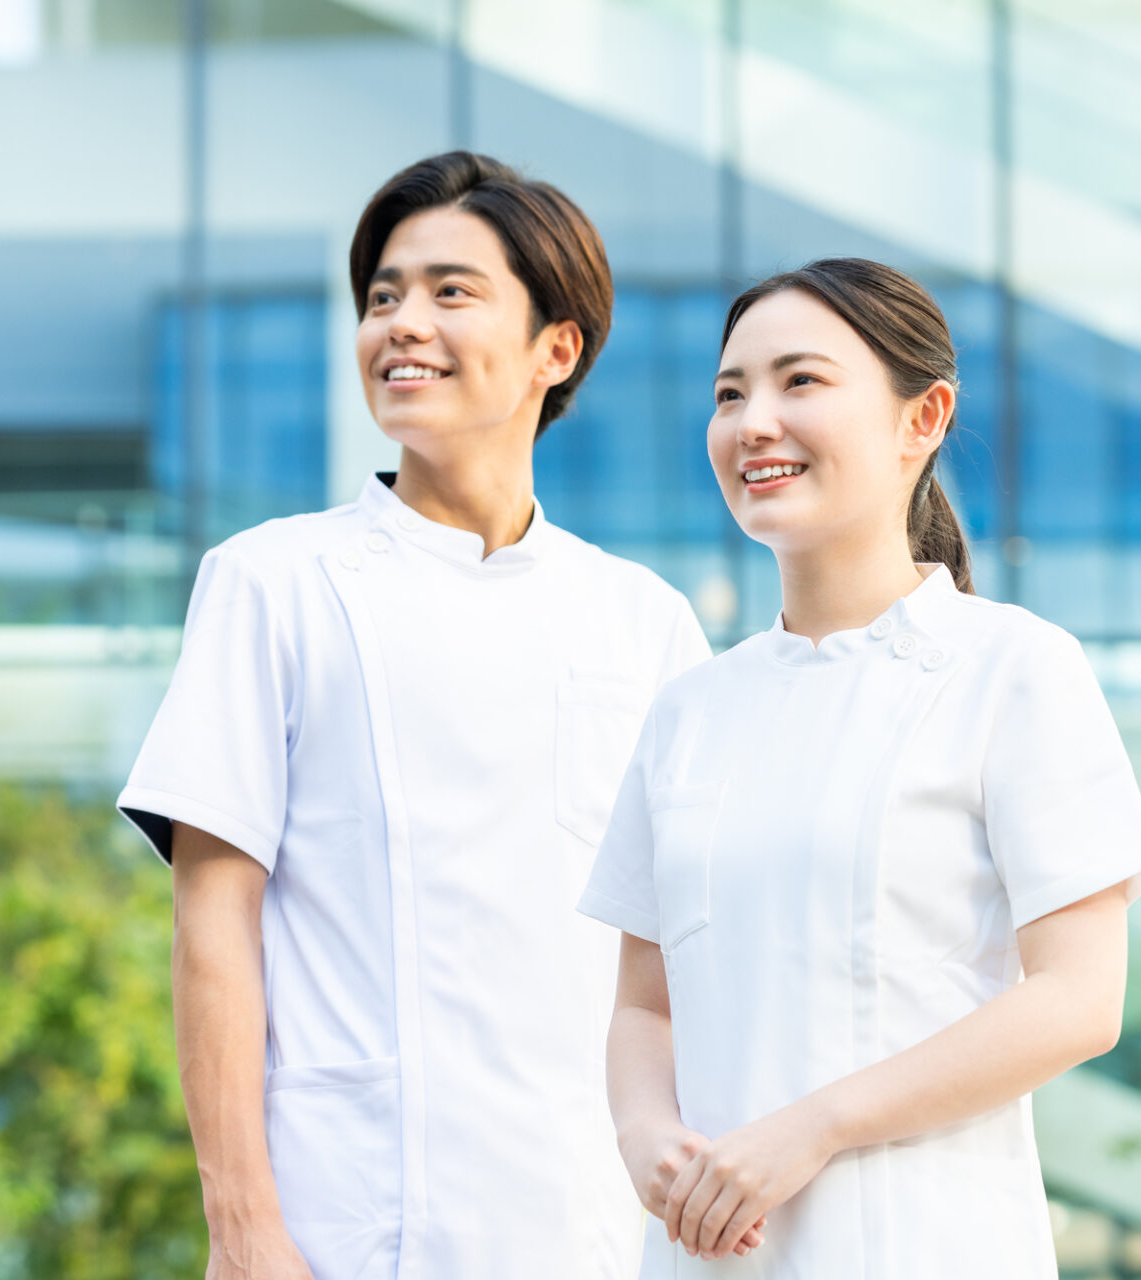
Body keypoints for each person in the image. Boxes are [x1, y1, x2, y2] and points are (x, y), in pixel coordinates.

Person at [118, 151, 738, 1279]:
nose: (401, 323)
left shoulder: (643, 620)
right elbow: (213, 921)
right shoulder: (273, 581)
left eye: (452, 292)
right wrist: (242, 1226)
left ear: (558, 348)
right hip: (348, 1219)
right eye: (382, 297)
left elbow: (696, 952)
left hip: (590, 1221)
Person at [579, 257, 1141, 1278]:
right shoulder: (690, 711)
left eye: (800, 381)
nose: (754, 421)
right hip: (711, 1253)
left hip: (929, 1244)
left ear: (922, 418)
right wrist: (643, 1134)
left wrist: (816, 1126)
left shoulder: (1014, 668)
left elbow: (1078, 997)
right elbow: (645, 1005)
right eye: (730, 394)